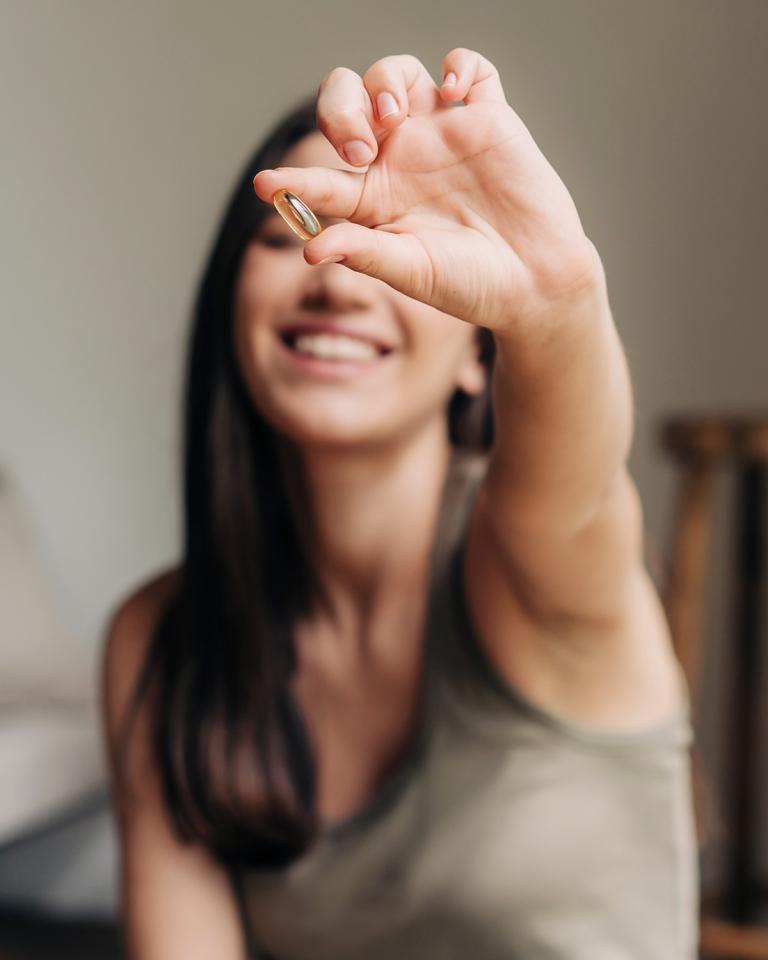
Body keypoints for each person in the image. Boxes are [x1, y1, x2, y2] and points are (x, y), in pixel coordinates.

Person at [100, 49, 698, 959]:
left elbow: (575, 488)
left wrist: (554, 302)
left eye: (389, 254)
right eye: (287, 233)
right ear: (232, 307)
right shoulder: (165, 642)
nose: (335, 277)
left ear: (477, 358)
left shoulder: (527, 564)